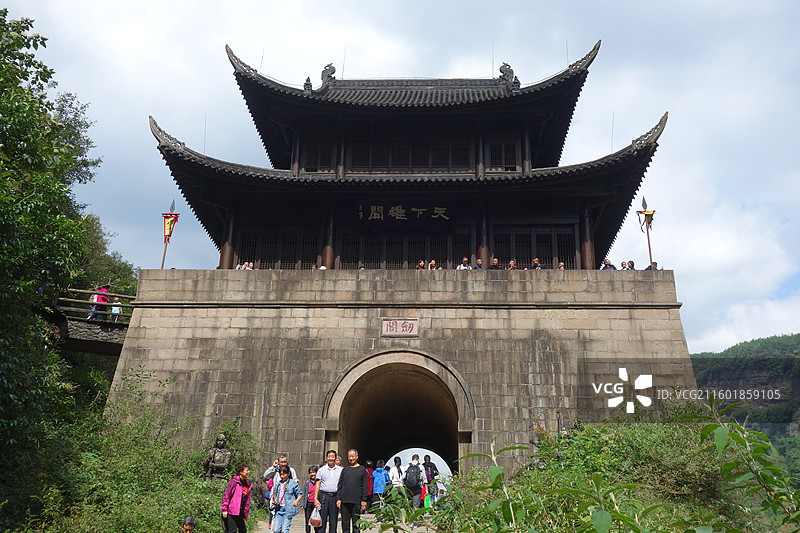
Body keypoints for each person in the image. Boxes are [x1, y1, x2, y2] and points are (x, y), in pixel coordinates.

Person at [336, 449, 368, 533]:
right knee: (345, 524)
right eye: (349, 456)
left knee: (356, 525)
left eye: (352, 456)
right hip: (345, 501)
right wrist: (338, 498)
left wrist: (364, 500)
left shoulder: (362, 469)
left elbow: (365, 486)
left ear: (357, 457)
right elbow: (340, 485)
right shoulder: (345, 469)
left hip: (356, 501)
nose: (351, 458)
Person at [314, 450, 343, 533]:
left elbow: (342, 485)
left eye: (332, 456)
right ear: (326, 458)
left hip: (335, 497)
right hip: (323, 497)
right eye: (329, 456)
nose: (331, 458)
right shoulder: (321, 470)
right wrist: (315, 499)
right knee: (321, 522)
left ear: (335, 458)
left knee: (333, 522)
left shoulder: (341, 470)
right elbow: (317, 485)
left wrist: (340, 498)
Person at [221, 464, 252, 533]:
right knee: (232, 531)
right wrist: (224, 509)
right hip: (231, 512)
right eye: (247, 470)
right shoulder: (234, 482)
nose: (248, 472)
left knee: (243, 530)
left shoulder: (246, 483)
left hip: (240, 512)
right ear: (241, 472)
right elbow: (226, 496)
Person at [272, 465, 303, 533]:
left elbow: (300, 494)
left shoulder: (293, 483)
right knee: (275, 530)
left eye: (284, 474)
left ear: (288, 473)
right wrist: (274, 500)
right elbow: (275, 494)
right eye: (280, 474)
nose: (282, 476)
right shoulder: (278, 484)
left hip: (288, 509)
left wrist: (296, 501)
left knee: (284, 530)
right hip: (279, 509)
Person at [299, 465, 319, 533]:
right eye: (310, 472)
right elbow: (304, 493)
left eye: (314, 472)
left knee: (316, 521)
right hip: (308, 504)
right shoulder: (307, 483)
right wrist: (302, 503)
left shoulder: (319, 482)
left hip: (316, 504)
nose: (312, 474)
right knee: (308, 521)